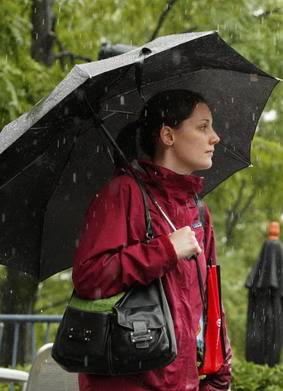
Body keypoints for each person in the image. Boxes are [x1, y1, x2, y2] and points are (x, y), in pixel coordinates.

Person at [72, 89, 232, 390]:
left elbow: (212, 298)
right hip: (130, 380)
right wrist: (166, 250)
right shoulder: (123, 193)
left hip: (184, 382)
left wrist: (218, 378)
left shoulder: (197, 209)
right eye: (202, 127)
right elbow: (89, 277)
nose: (215, 137)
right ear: (168, 135)